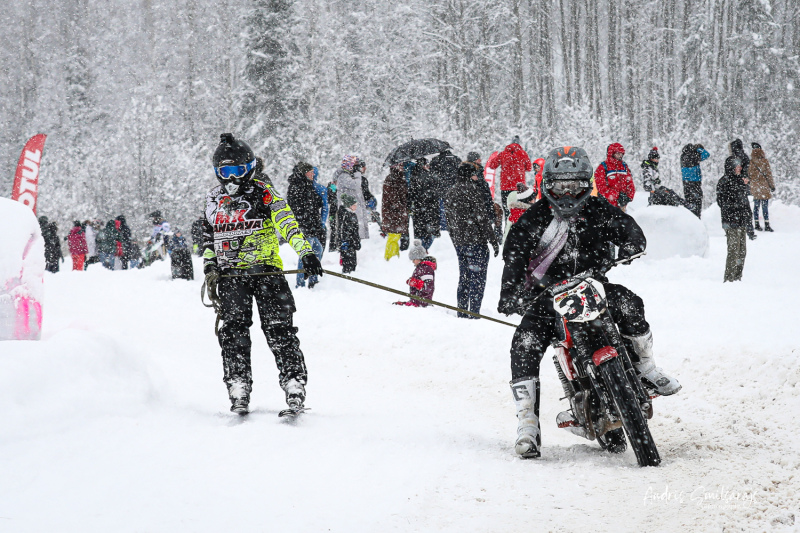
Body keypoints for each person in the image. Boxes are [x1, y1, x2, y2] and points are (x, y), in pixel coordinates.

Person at [498, 146, 681, 459]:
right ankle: (527, 424)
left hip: (595, 286)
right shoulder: (531, 221)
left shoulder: (598, 209)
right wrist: (511, 294)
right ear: (547, 185)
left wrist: (631, 244)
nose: (567, 192)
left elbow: (628, 229)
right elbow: (513, 259)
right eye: (560, 185)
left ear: (587, 184)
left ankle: (647, 367)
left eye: (575, 185)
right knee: (523, 343)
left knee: (630, 303)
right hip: (548, 298)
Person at [201, 133, 323, 415]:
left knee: (280, 330)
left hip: (267, 272)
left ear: (250, 168)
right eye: (225, 172)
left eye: (238, 171)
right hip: (231, 278)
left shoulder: (264, 191)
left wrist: (305, 251)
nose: (232, 180)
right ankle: (238, 383)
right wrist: (210, 265)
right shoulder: (212, 199)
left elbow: (287, 222)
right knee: (233, 332)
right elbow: (208, 237)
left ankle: (293, 382)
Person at [444, 162, 500, 318]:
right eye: (475, 174)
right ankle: (474, 312)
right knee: (477, 279)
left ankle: (461, 311)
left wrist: (456, 241)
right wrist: (493, 241)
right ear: (469, 176)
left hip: (460, 243)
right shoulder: (473, 191)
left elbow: (448, 222)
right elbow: (482, 219)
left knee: (464, 277)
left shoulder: (450, 192)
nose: (477, 177)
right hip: (476, 242)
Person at [717, 156, 756, 282]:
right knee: (734, 251)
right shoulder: (724, 181)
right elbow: (723, 202)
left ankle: (737, 277)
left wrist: (748, 218)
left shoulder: (741, 180)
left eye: (740, 165)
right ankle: (729, 279)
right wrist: (740, 188)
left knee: (742, 252)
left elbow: (744, 201)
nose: (739, 167)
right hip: (730, 221)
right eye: (737, 165)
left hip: (741, 221)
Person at [286, 161, 325, 288]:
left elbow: (315, 204)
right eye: (310, 172)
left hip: (311, 226)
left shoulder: (308, 185)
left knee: (317, 250)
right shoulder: (296, 186)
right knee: (306, 254)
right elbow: (296, 208)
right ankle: (301, 283)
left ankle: (312, 279)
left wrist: (324, 194)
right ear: (304, 173)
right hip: (303, 226)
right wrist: (305, 222)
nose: (313, 174)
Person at [486, 136, 533, 220]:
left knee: (507, 212)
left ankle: (507, 230)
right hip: (519, 189)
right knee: (519, 211)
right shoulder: (523, 154)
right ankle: (518, 230)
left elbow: (492, 165)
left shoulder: (503, 154)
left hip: (505, 188)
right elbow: (529, 168)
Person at [409, 157, 441, 251]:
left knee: (420, 232)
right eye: (427, 164)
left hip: (418, 210)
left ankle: (421, 250)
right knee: (430, 232)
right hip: (429, 208)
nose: (428, 166)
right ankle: (424, 249)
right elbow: (434, 193)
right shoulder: (429, 177)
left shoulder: (413, 177)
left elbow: (411, 194)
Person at [394, 240, 437, 307]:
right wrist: (412, 282)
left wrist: (417, 284)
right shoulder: (421, 268)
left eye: (414, 259)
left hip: (422, 302)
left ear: (419, 258)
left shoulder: (426, 269)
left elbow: (429, 287)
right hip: (417, 300)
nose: (413, 262)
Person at [594, 143, 635, 211]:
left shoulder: (624, 167)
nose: (620, 156)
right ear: (612, 153)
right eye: (618, 154)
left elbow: (630, 184)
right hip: (606, 205)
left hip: (622, 206)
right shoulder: (603, 167)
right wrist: (617, 196)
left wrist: (628, 197)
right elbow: (601, 187)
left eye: (621, 154)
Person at [381, 163, 409, 261]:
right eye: (400, 165)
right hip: (393, 214)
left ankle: (393, 257)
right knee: (393, 236)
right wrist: (402, 208)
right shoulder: (392, 179)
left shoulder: (399, 178)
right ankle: (390, 258)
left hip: (396, 213)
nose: (402, 167)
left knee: (396, 236)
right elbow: (393, 198)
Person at [430, 149, 461, 231]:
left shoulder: (435, 160)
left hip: (440, 190)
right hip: (454, 191)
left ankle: (443, 227)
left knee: (442, 209)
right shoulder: (457, 159)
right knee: (453, 209)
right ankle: (453, 225)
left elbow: (432, 175)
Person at [749, 143, 775, 232]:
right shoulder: (765, 161)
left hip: (755, 187)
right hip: (764, 187)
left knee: (756, 206)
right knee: (765, 207)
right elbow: (769, 175)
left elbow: (749, 175)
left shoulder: (751, 162)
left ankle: (756, 224)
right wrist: (772, 186)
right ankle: (767, 224)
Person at [680, 143, 710, 217]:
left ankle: (690, 218)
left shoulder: (683, 156)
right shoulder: (695, 155)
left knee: (689, 201)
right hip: (695, 181)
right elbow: (706, 154)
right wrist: (699, 149)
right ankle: (697, 217)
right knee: (697, 201)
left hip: (686, 182)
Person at [338, 193, 361, 274]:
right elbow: (342, 230)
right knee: (347, 263)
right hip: (347, 244)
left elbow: (355, 230)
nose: (356, 206)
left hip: (352, 244)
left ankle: (352, 274)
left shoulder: (352, 215)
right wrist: (344, 242)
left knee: (353, 263)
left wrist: (356, 241)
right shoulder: (345, 215)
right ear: (349, 206)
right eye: (354, 205)